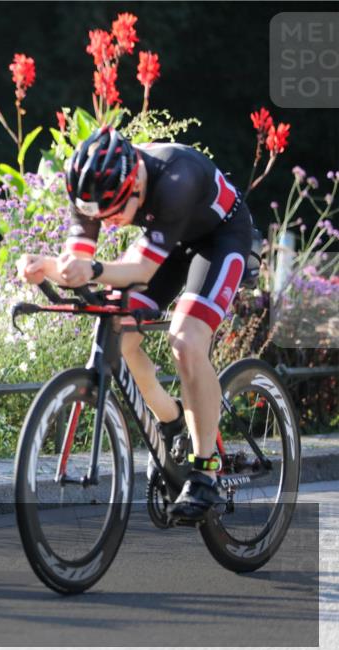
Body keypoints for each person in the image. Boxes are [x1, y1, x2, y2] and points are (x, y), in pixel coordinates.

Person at [17, 126, 253, 520]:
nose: (107, 222)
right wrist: (45, 266)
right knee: (120, 329)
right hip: (169, 241)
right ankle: (171, 420)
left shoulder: (176, 179)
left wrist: (91, 269)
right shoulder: (93, 187)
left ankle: (205, 471)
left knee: (186, 340)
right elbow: (77, 263)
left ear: (136, 186)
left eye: (113, 214)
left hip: (219, 239)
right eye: (99, 216)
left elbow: (140, 269)